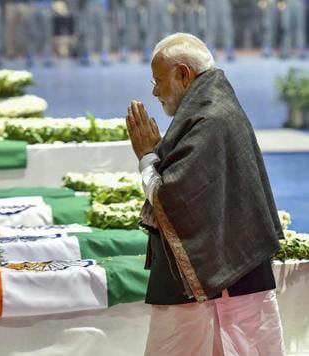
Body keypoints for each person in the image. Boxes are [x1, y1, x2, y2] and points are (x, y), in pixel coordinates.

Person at [126, 33, 285, 355]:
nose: (155, 91)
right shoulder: (213, 107)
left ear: (183, 73)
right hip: (228, 270)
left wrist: (146, 155)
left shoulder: (209, 118)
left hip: (214, 279)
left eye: (158, 81)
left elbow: (171, 197)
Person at [77, 0, 112, 65]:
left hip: (102, 4)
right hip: (90, 4)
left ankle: (104, 54)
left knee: (104, 32)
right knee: (89, 31)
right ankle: (87, 54)